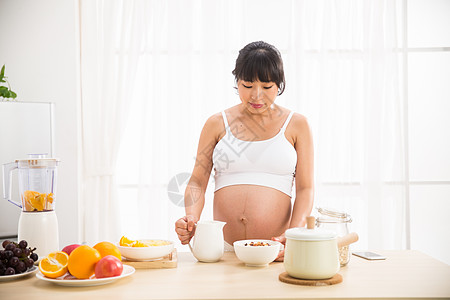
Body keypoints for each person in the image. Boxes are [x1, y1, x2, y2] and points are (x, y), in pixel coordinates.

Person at [175, 41, 314, 261]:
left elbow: (305, 189)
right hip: (221, 251)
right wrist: (190, 217)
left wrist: (293, 234)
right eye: (247, 85)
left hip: (275, 251)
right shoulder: (216, 123)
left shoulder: (297, 125)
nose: (256, 95)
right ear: (237, 82)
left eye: (267, 87)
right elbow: (197, 182)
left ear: (279, 84)